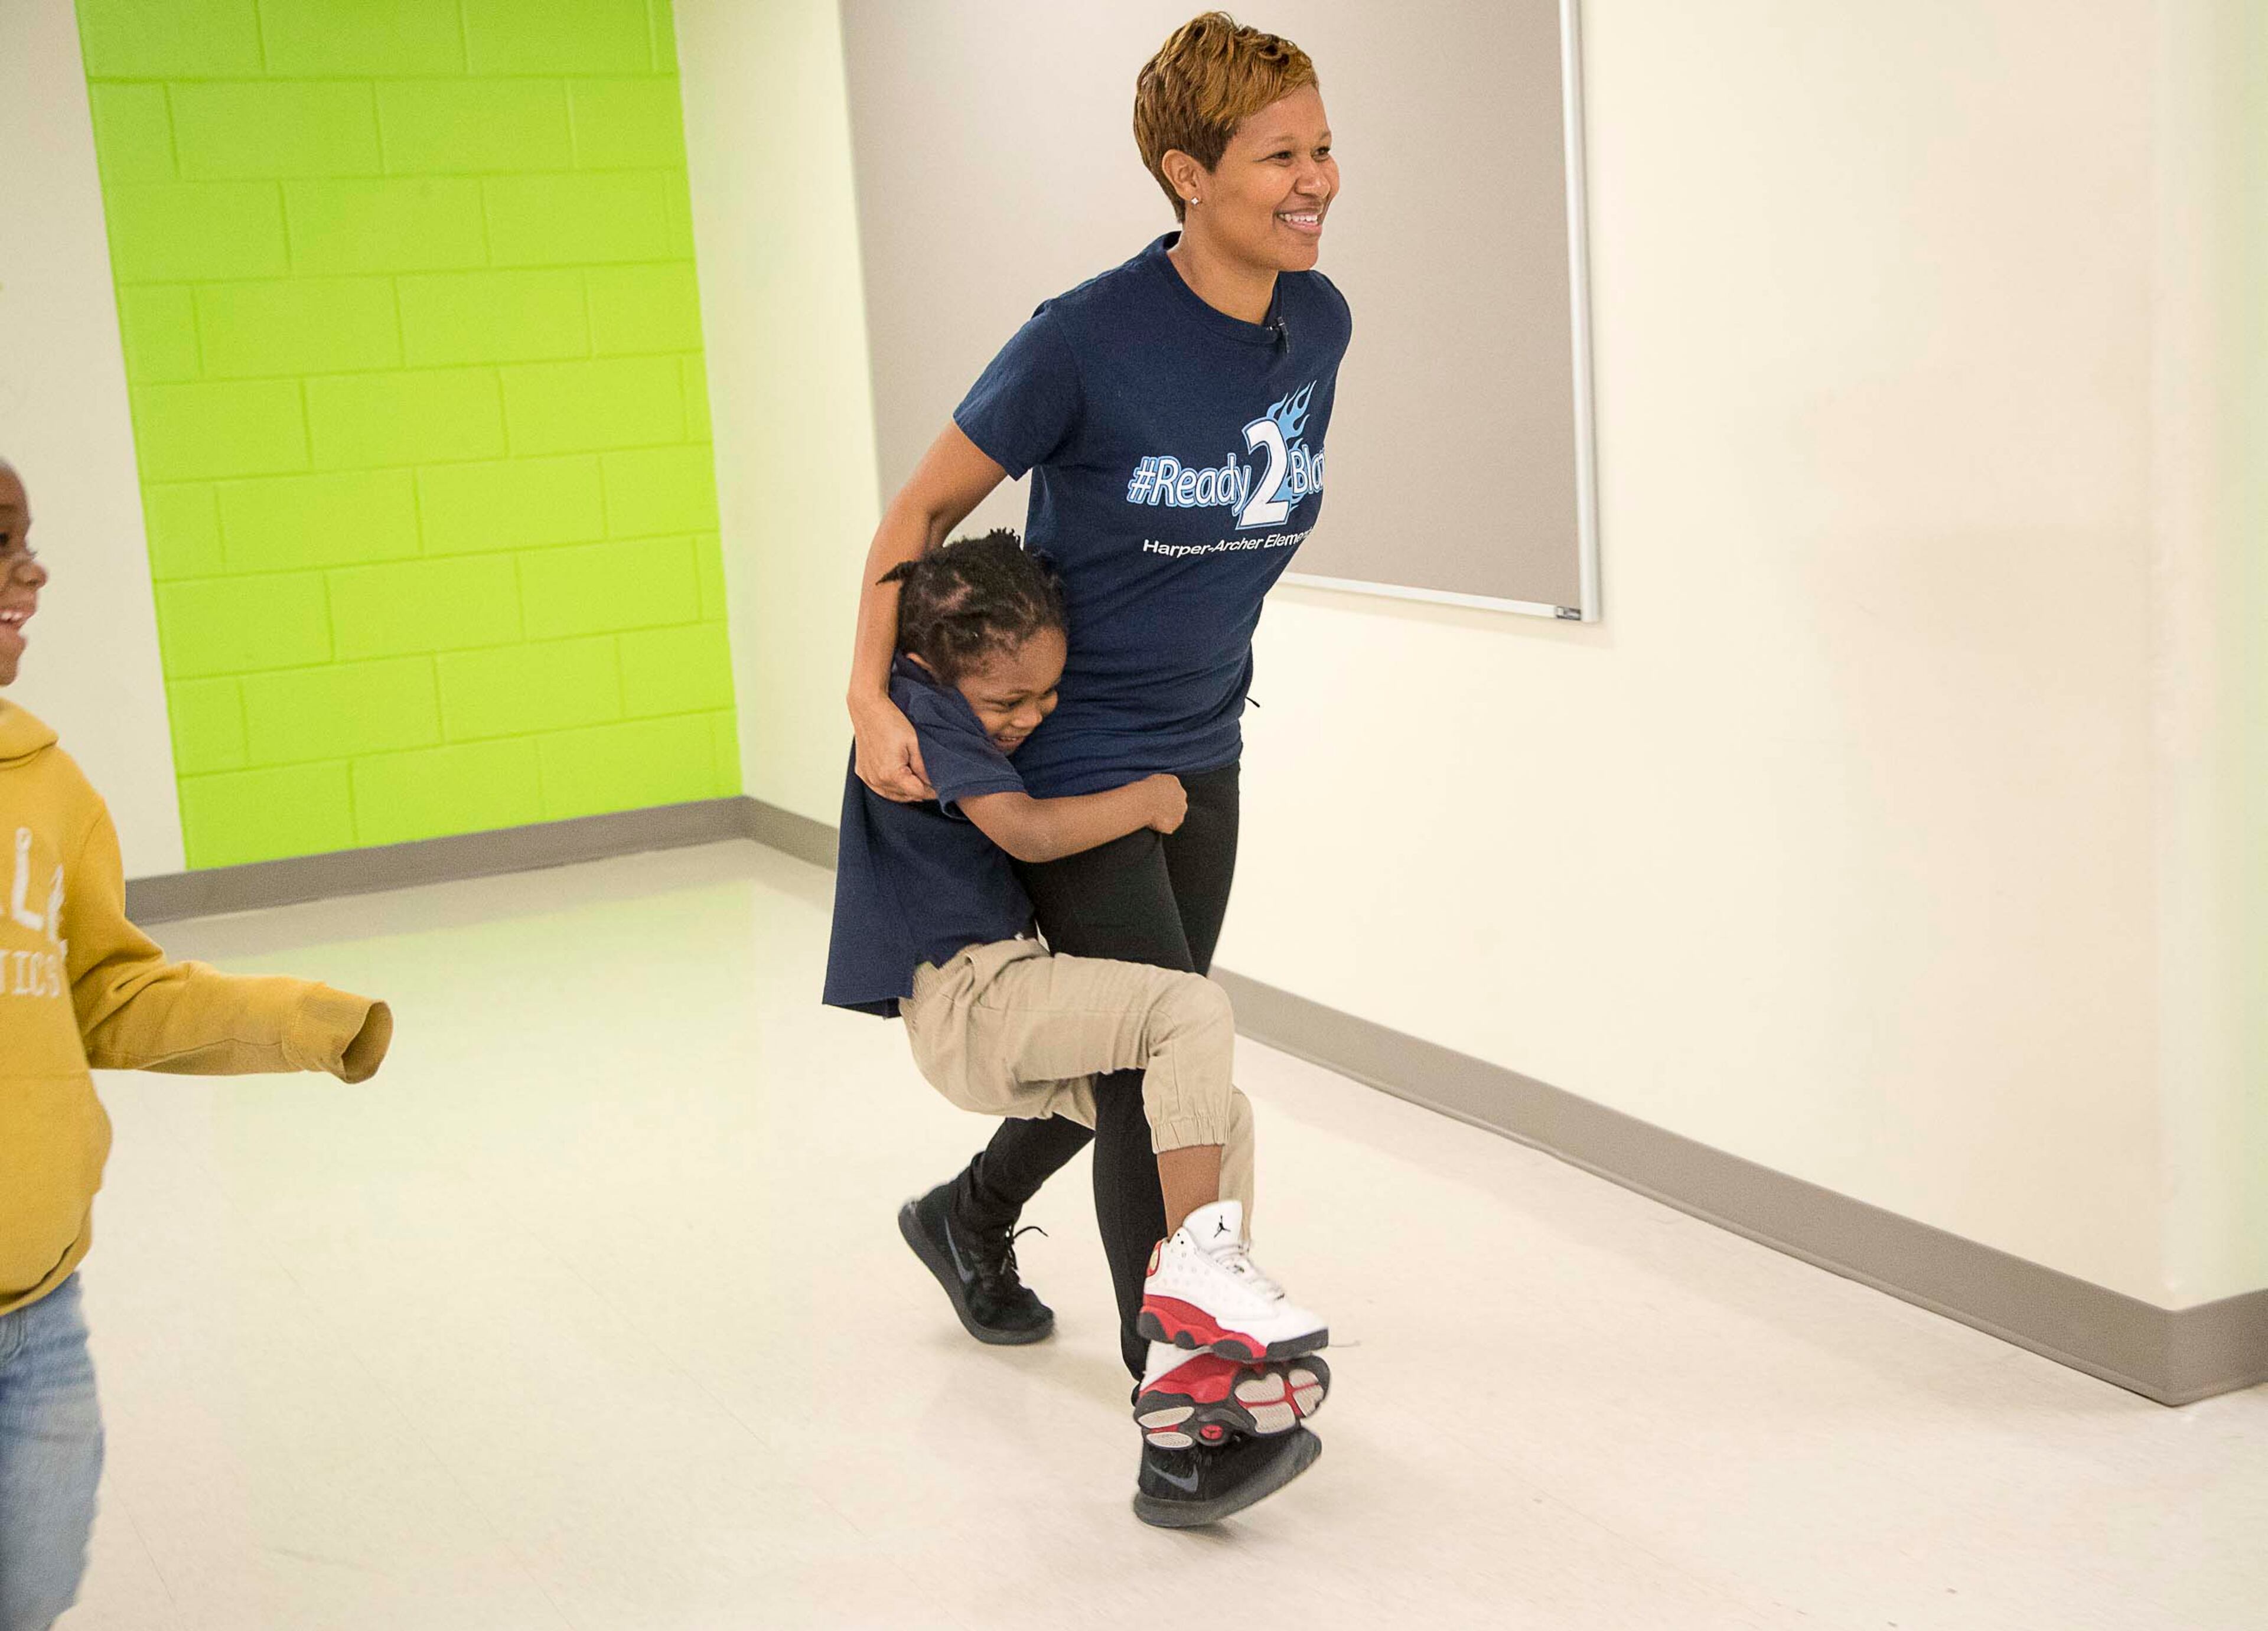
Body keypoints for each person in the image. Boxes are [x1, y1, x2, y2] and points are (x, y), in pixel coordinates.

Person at [843, 10, 1348, 1492]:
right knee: (1156, 1055)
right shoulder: (1081, 340)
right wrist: (874, 700)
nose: (1316, 179)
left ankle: (967, 1212)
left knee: (1153, 1067)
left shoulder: (1318, 322)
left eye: (1323, 147)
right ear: (1188, 175)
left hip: (1203, 753)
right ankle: (1184, 1414)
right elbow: (911, 521)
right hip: (1078, 755)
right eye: (1278, 156)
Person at [826, 530, 1328, 1526]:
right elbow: (1027, 832)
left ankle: (1202, 1341)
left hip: (1005, 991)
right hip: (973, 1000)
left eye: (1046, 698)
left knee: (1211, 1111)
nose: (1029, 719)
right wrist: (1142, 798)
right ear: (931, 665)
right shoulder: (924, 707)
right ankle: (1194, 1306)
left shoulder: (946, 690)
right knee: (1187, 1011)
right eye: (1008, 703)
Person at [0, 459, 395, 1629]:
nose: (34, 569)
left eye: (27, 537)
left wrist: (291, 1020)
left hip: (36, 1317)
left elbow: (102, 989)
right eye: (0, 539)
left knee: (32, 1596)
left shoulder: (49, 786)